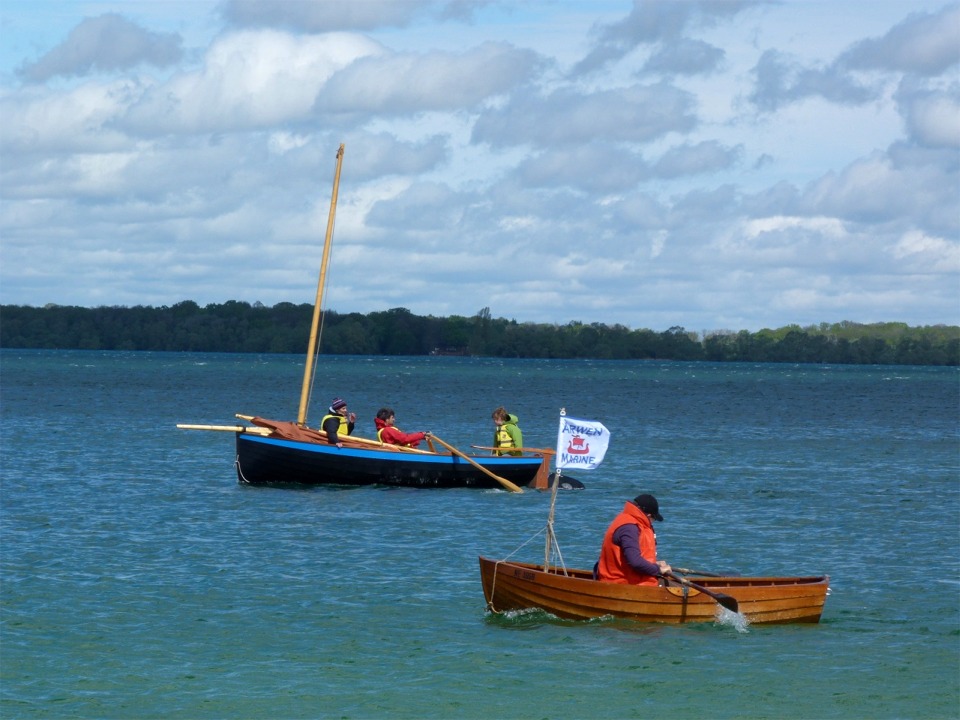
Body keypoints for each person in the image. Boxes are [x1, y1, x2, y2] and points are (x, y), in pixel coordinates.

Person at [594, 494, 672, 585]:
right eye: (653, 519)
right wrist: (658, 569)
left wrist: (655, 564)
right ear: (649, 515)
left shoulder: (626, 519)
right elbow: (635, 562)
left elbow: (632, 558)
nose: (652, 523)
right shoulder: (629, 528)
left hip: (630, 580)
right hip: (621, 583)